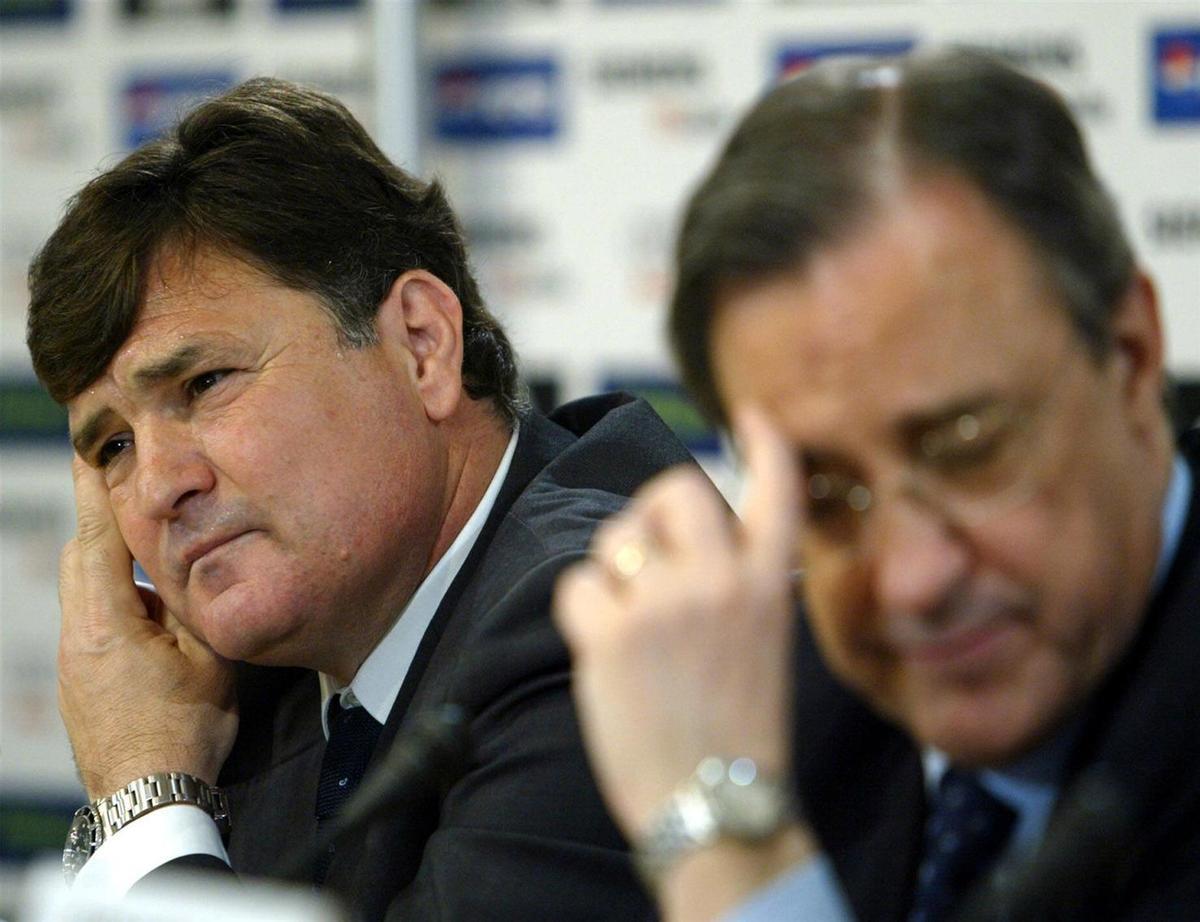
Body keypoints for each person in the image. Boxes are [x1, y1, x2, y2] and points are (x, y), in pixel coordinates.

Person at [26, 77, 694, 920]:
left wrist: (144, 798)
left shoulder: (598, 629)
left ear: (421, 345)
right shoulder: (237, 692)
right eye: (114, 447)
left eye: (206, 383)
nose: (160, 486)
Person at [554, 49, 1200, 921]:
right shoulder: (787, 714)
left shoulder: (726, 786)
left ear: (1131, 358)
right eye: (821, 492)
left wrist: (729, 845)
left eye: (967, 446)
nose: (910, 580)